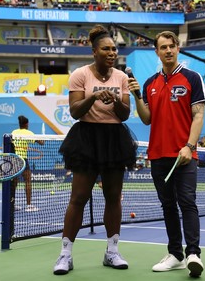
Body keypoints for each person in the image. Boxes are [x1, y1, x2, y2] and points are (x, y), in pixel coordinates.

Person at [53, 24, 137, 275]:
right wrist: (94, 97)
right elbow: (75, 111)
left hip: (114, 137)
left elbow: (124, 115)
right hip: (86, 137)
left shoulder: (121, 77)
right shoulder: (80, 74)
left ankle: (112, 251)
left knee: (113, 197)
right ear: (94, 52)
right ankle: (65, 255)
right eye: (106, 49)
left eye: (114, 49)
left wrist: (114, 103)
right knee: (78, 197)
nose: (112, 53)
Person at [128, 31, 205, 278]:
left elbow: (198, 115)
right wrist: (136, 96)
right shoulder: (151, 83)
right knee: (167, 206)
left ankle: (193, 253)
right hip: (158, 155)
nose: (168, 51)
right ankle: (175, 254)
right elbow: (147, 118)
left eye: (172, 46)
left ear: (178, 48)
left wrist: (190, 146)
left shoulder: (192, 78)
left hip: (184, 155)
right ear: (157, 52)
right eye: (163, 47)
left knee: (187, 202)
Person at [12, 115, 44, 212]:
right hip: (23, 159)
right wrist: (43, 137)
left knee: (14, 183)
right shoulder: (29, 133)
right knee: (28, 181)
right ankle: (29, 205)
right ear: (26, 124)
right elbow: (42, 143)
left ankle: (12, 204)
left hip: (14, 159)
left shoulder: (14, 132)